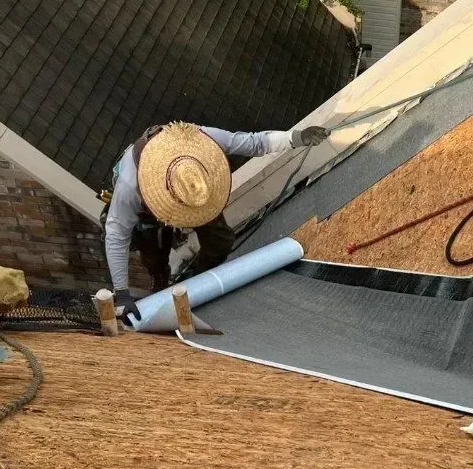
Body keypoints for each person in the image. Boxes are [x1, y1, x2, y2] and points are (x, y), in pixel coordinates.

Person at [102, 121, 329, 325]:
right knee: (155, 252)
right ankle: (160, 279)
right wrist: (121, 292)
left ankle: (201, 283)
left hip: (197, 197)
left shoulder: (199, 139)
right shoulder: (130, 188)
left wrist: (296, 137)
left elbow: (253, 142)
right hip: (147, 215)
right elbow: (116, 234)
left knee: (220, 241)